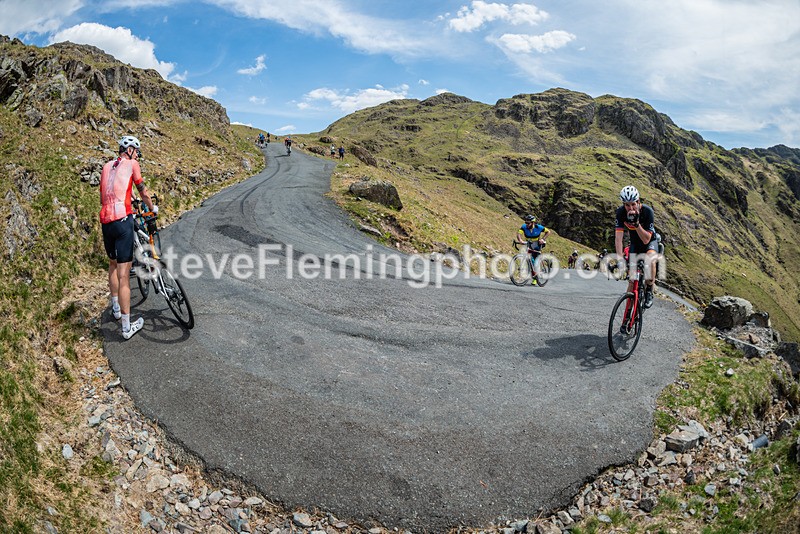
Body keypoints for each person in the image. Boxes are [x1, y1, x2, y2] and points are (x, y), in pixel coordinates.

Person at [99, 135, 157, 340]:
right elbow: (143, 191)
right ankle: (126, 327)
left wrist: (127, 196)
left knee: (112, 265)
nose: (137, 154)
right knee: (125, 275)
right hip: (123, 220)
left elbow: (104, 196)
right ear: (131, 149)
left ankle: (115, 308)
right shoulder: (133, 163)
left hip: (106, 221)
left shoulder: (106, 166)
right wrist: (152, 207)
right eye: (136, 150)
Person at [615, 185, 658, 308]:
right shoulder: (621, 213)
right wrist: (619, 259)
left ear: (638, 202)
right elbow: (618, 238)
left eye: (633, 204)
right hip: (635, 244)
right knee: (632, 280)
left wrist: (637, 224)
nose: (630, 208)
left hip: (649, 242)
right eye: (627, 205)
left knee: (650, 259)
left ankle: (649, 288)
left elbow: (646, 240)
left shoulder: (647, 212)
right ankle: (626, 318)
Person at [515, 214, 550, 285]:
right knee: (529, 258)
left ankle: (535, 277)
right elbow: (519, 233)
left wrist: (543, 239)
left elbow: (548, 232)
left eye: (528, 223)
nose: (526, 224)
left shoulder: (538, 227)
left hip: (537, 244)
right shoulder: (524, 227)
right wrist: (520, 240)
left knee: (535, 259)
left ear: (533, 223)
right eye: (526, 222)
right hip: (529, 244)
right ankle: (531, 271)